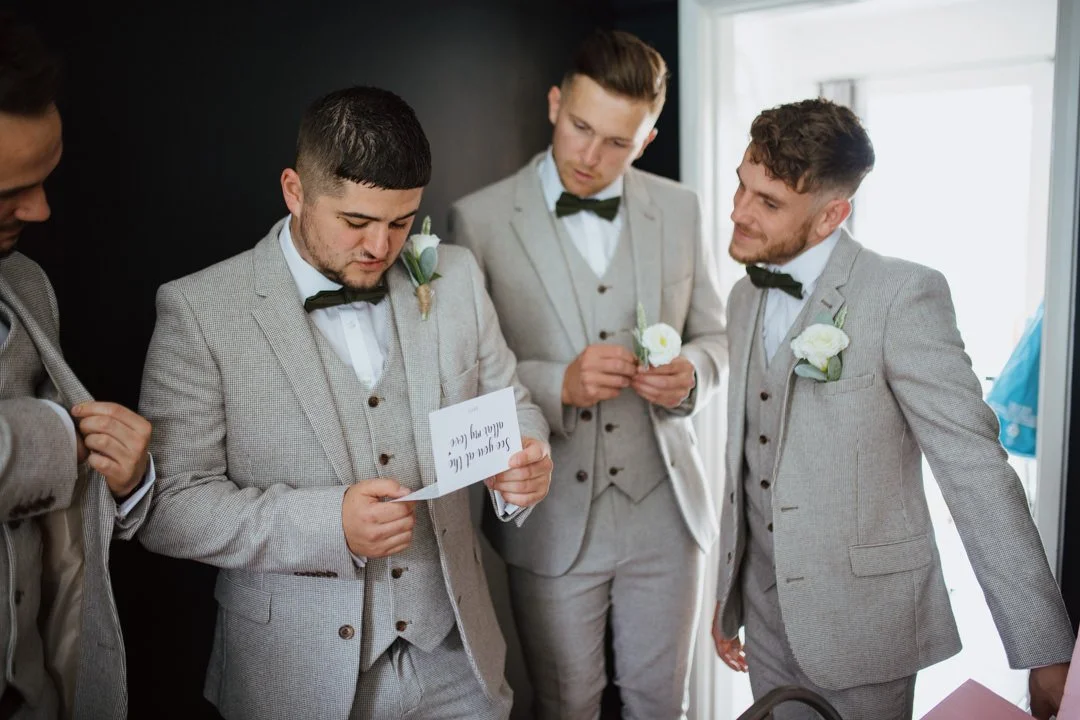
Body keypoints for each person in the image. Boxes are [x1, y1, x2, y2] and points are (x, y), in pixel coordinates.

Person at [136, 85, 552, 720]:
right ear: (294, 191)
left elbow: (512, 402)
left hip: (457, 663)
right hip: (295, 676)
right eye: (356, 222)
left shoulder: (456, 275)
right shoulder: (200, 311)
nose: (380, 249)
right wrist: (328, 523)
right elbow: (169, 506)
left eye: (402, 222)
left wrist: (524, 461)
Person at [711, 97, 1074, 720]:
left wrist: (1046, 647)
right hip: (765, 618)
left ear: (832, 216)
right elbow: (749, 464)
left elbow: (974, 470)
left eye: (768, 203)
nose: (740, 213)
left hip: (864, 626)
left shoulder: (903, 295)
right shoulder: (744, 296)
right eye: (742, 187)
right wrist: (729, 600)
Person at [450, 29, 727, 720]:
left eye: (618, 143)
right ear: (554, 104)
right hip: (551, 517)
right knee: (565, 704)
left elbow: (718, 335)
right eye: (581, 127)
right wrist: (557, 385)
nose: (591, 156)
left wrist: (692, 373)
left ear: (648, 139)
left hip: (667, 509)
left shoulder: (681, 208)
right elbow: (462, 377)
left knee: (665, 705)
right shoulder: (478, 221)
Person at [0, 16, 154, 720]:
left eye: (46, 175)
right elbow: (53, 444)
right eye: (9, 191)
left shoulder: (27, 285)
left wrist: (125, 477)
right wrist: (60, 439)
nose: (40, 208)